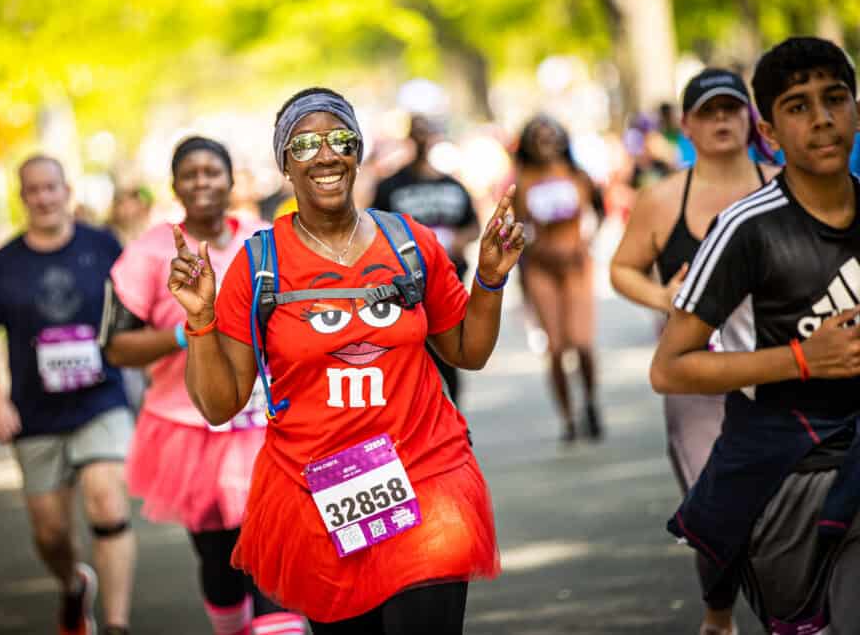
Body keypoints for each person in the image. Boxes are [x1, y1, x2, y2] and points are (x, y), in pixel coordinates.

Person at [167, 88, 523, 633]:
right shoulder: (259, 265)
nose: (326, 155)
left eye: (340, 140)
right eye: (305, 144)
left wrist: (490, 279)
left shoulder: (409, 243)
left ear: (358, 152)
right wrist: (200, 319)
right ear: (285, 163)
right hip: (319, 492)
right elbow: (220, 405)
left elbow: (467, 351)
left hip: (429, 472)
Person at [651, 37, 860, 633]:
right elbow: (670, 369)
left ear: (857, 110)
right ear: (768, 131)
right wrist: (801, 359)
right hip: (788, 468)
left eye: (834, 98)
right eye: (797, 106)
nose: (821, 119)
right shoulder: (747, 228)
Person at [104, 137, 305, 635]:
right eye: (190, 174)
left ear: (231, 181)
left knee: (273, 547)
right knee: (221, 562)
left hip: (269, 423)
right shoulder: (149, 253)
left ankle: (278, 625)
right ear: (175, 186)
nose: (202, 183)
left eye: (211, 172)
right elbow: (116, 347)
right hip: (190, 427)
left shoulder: (266, 238)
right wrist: (188, 330)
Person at [611, 68, 778, 635]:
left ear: (751, 118)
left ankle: (789, 615)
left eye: (731, 109)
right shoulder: (663, 199)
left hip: (778, 365)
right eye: (708, 112)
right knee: (713, 500)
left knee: (783, 505)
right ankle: (719, 615)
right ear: (687, 125)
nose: (722, 121)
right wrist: (661, 295)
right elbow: (621, 269)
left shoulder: (784, 184)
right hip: (696, 374)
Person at [0, 155, 135, 635]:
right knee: (50, 532)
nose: (43, 198)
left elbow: (134, 305)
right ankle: (72, 582)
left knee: (107, 502)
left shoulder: (103, 245)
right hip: (35, 413)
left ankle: (118, 624)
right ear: (23, 199)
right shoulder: (2, 265)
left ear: (68, 191)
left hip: (101, 399)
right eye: (33, 190)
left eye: (51, 188)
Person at [371, 114, 480, 404]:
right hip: (405, 285)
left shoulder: (453, 186)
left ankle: (453, 410)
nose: (422, 137)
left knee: (450, 349)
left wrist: (461, 239)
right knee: (418, 350)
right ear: (409, 137)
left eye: (427, 131)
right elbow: (371, 225)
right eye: (416, 132)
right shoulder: (391, 186)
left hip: (449, 276)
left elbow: (473, 225)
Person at [511, 115, 603, 442]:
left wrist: (588, 241)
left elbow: (600, 208)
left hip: (577, 265)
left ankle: (591, 402)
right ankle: (567, 418)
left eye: (551, 136)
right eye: (538, 137)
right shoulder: (522, 181)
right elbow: (514, 227)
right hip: (540, 267)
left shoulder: (577, 175)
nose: (545, 142)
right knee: (555, 348)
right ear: (528, 144)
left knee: (582, 343)